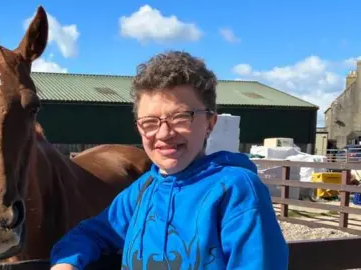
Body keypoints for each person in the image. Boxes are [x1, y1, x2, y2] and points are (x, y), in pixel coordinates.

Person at [50, 51, 289, 270]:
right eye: (150, 122)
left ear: (210, 123)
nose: (164, 133)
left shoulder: (236, 191)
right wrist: (66, 263)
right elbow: (91, 234)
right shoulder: (143, 191)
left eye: (181, 117)